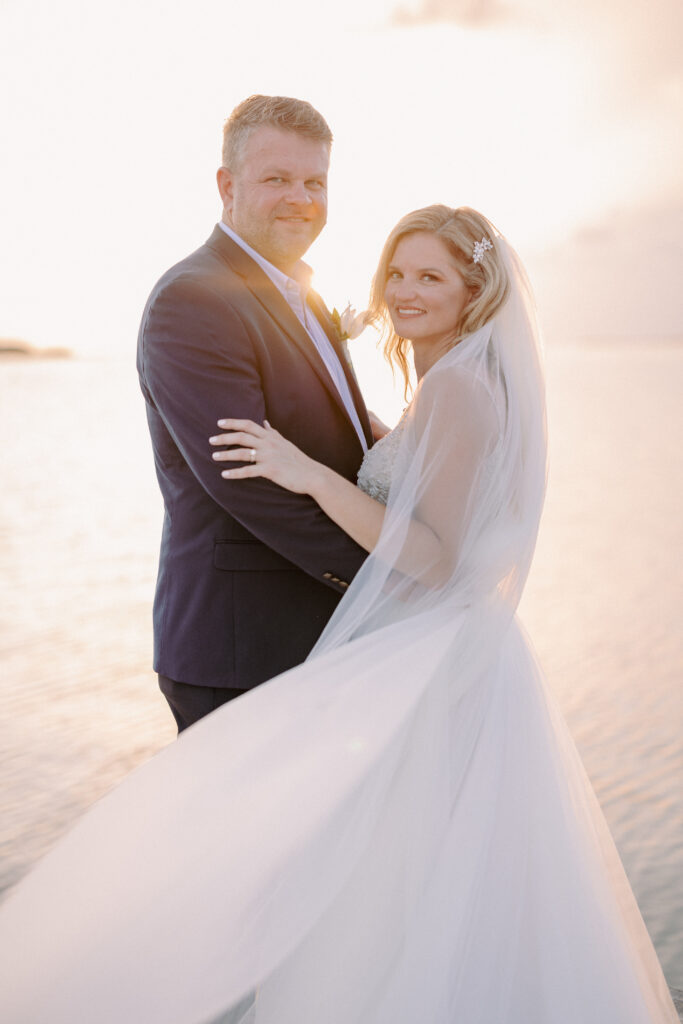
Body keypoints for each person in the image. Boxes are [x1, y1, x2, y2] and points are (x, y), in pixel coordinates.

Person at [0, 207, 678, 1024]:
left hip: (430, 653)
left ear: (475, 289)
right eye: (396, 273)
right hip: (438, 649)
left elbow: (437, 559)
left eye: (430, 276)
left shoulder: (459, 386)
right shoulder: (448, 384)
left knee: (382, 881)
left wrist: (311, 476)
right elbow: (428, 487)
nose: (403, 291)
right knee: (406, 882)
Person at [136, 94, 374, 732]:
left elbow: (335, 441)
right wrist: (392, 576)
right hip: (243, 649)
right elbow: (247, 480)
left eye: (314, 181)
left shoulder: (305, 293)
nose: (301, 197)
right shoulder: (195, 299)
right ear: (227, 185)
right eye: (277, 179)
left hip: (317, 636)